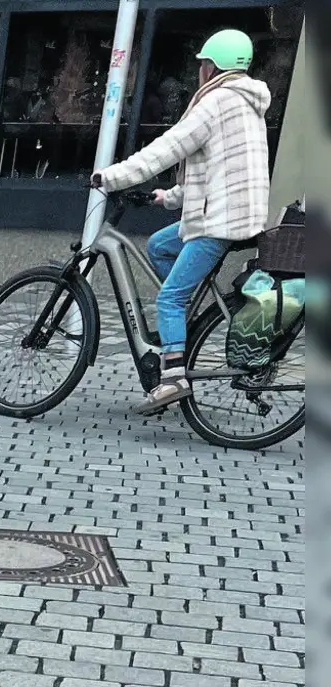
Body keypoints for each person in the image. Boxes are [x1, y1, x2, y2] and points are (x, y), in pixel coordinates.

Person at [93, 28, 271, 415]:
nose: (199, 72)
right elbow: (216, 170)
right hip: (234, 213)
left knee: (169, 297)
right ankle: (182, 330)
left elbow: (168, 148)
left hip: (219, 222)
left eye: (202, 64)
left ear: (213, 66)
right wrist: (169, 197)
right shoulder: (247, 101)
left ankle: (173, 377)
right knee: (159, 245)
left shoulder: (218, 101)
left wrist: (111, 177)